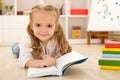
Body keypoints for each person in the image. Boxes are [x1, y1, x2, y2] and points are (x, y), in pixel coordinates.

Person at [17, 4, 72, 68]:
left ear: (56, 27)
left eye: (49, 26)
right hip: (24, 46)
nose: (43, 30)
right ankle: (17, 45)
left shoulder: (58, 37)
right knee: (16, 49)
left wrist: (52, 59)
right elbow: (24, 60)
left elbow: (62, 55)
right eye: (38, 25)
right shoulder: (27, 39)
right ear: (31, 25)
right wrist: (41, 62)